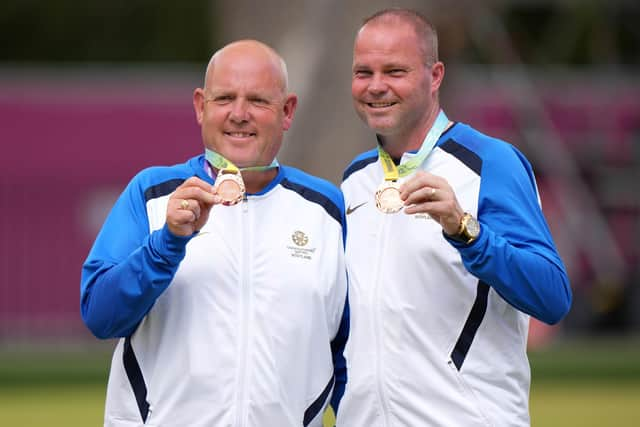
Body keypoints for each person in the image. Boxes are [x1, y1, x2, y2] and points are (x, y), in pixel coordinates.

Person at [81, 40, 349, 427]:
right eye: (225, 98)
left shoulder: (326, 209)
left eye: (257, 100)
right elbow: (100, 316)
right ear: (200, 106)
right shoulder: (153, 193)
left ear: (287, 111)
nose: (239, 114)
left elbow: (349, 355)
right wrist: (166, 244)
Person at [337, 8, 572, 427]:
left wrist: (466, 231)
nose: (376, 87)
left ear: (436, 75)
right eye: (363, 72)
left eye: (394, 71)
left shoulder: (491, 163)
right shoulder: (355, 180)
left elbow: (552, 297)